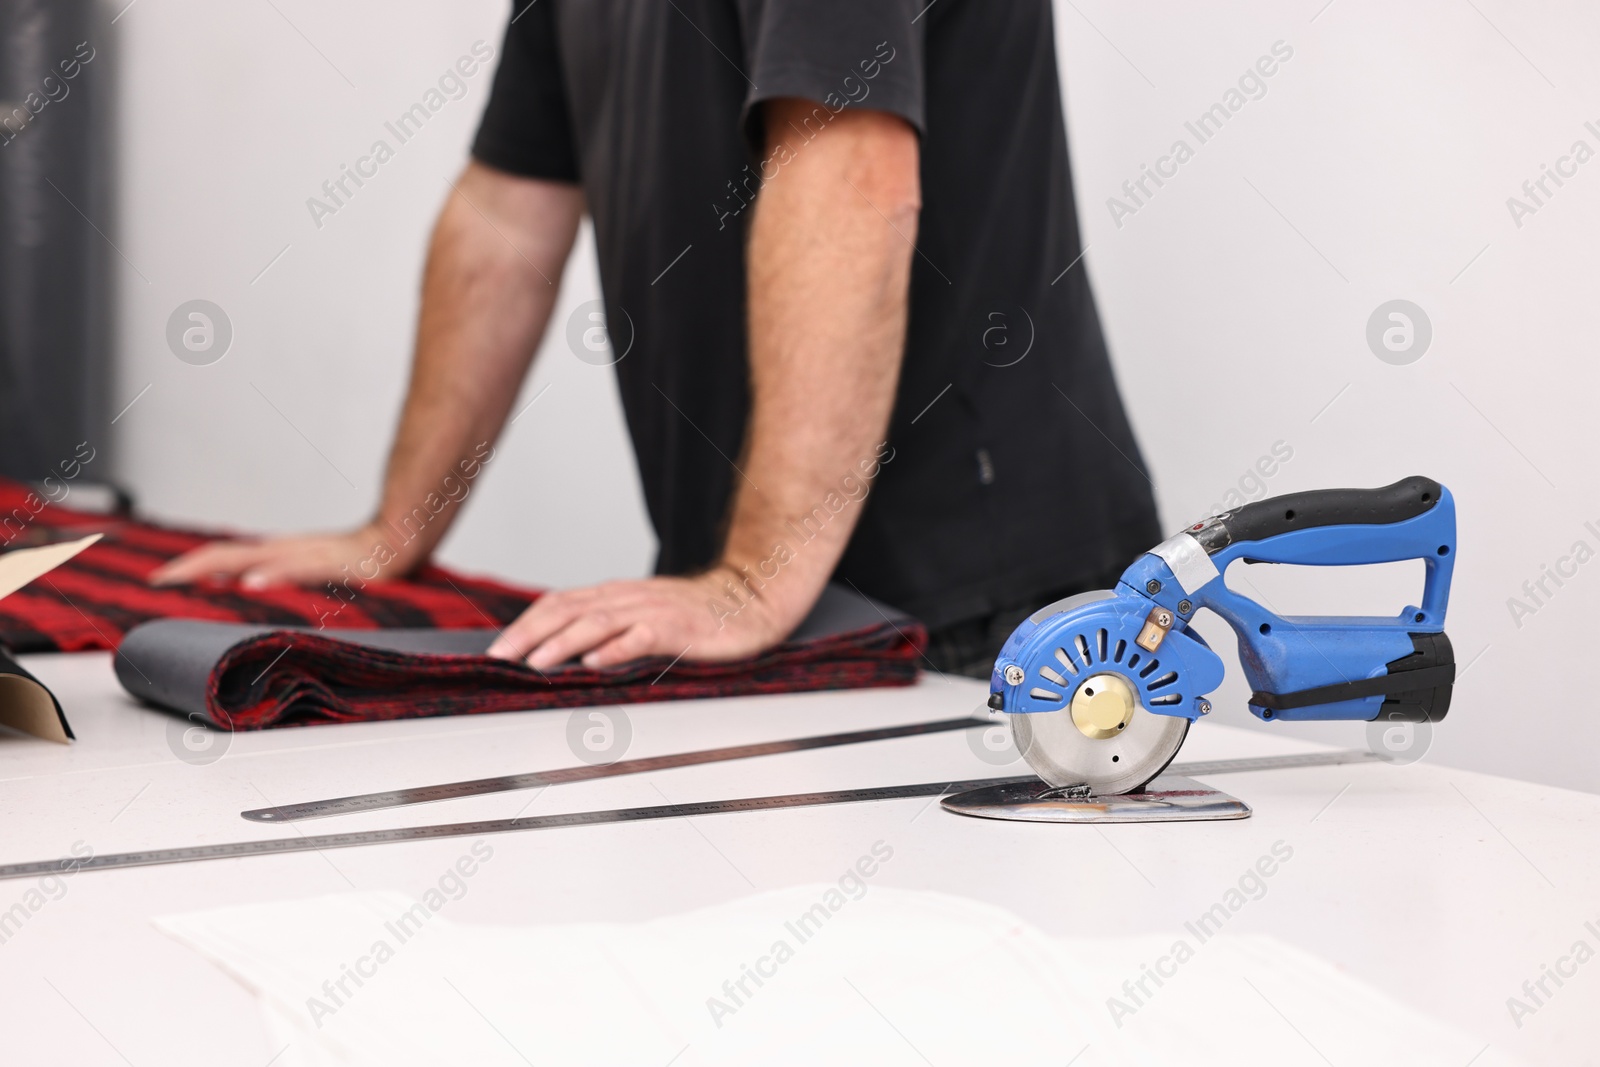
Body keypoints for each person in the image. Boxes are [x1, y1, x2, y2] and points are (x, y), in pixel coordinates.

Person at [152, 0, 1160, 679]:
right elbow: (508, 214)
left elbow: (850, 168)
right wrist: (392, 532)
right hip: (778, 609)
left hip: (981, 617)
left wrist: (754, 583)